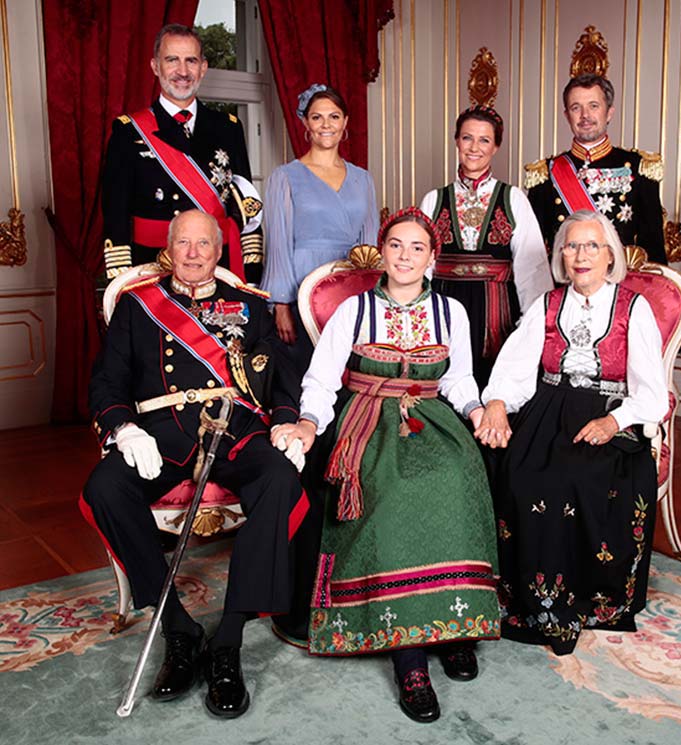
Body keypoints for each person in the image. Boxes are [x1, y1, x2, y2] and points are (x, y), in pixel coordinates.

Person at [272, 208, 501, 723]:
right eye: (396, 245)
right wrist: (309, 423)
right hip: (366, 423)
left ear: (432, 257)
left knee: (458, 476)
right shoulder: (354, 310)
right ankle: (410, 658)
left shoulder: (451, 313)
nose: (405, 256)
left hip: (432, 418)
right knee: (394, 492)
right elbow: (322, 379)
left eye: (417, 247)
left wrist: (478, 410)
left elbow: (460, 380)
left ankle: (454, 625)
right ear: (383, 251)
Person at [81, 210, 308, 719]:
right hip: (159, 439)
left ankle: (228, 638)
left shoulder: (249, 307)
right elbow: (106, 381)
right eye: (182, 243)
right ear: (169, 247)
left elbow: (282, 377)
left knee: (279, 478)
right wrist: (123, 427)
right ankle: (177, 626)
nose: (192, 253)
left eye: (203, 243)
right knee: (104, 487)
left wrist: (288, 422)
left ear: (218, 249)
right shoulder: (139, 307)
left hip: (234, 431)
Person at [476, 209, 667, 655]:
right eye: (572, 245)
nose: (581, 255)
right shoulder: (547, 304)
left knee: (577, 482)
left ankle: (583, 597)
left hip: (607, 412)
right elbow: (515, 372)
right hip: (547, 409)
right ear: (561, 254)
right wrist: (499, 404)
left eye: (591, 246)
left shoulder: (633, 308)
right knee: (521, 475)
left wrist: (614, 421)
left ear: (609, 256)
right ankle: (529, 596)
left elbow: (653, 394)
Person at [102, 24, 263, 283]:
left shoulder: (228, 128)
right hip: (154, 268)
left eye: (191, 61)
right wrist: (122, 280)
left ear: (203, 67)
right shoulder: (128, 131)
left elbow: (245, 205)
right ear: (155, 66)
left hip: (218, 267)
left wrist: (251, 271)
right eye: (172, 60)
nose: (183, 71)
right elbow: (115, 215)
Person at [420, 105, 552, 387]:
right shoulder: (433, 199)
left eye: (484, 140)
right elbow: (422, 268)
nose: (474, 147)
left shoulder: (514, 198)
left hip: (497, 310)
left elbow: (532, 270)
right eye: (467, 138)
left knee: (492, 387)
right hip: (446, 303)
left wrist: (531, 326)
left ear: (496, 147)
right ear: (456, 141)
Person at [260, 83, 378, 372]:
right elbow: (278, 246)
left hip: (353, 291)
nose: (326, 124)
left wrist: (376, 299)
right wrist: (282, 305)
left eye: (334, 116)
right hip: (303, 291)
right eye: (317, 117)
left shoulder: (363, 179)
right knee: (306, 372)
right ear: (305, 123)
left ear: (345, 122)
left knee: (354, 375)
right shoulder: (285, 177)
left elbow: (371, 245)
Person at [525, 74, 667, 265]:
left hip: (620, 285)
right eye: (576, 108)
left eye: (593, 106)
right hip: (564, 286)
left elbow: (652, 246)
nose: (585, 115)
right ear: (567, 115)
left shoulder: (639, 167)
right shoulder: (545, 173)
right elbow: (533, 253)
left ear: (609, 112)